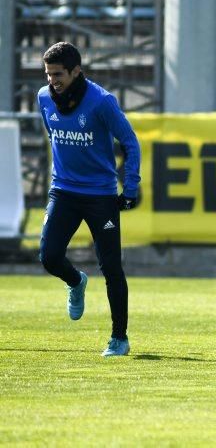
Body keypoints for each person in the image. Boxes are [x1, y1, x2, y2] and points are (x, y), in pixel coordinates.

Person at [37, 42, 141, 357]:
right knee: (49, 257)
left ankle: (119, 338)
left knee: (111, 268)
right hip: (64, 191)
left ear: (76, 71)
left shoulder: (101, 102)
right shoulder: (43, 98)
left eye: (58, 74)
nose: (52, 80)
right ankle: (76, 282)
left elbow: (130, 142)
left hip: (100, 195)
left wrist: (131, 187)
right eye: (49, 74)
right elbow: (54, 137)